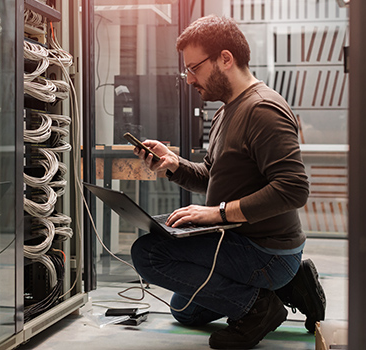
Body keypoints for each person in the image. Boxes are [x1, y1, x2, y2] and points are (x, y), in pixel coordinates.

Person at [130, 15, 325, 349]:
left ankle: (260, 307)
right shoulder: (225, 111)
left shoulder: (262, 109)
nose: (189, 79)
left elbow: (293, 188)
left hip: (266, 250)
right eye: (186, 70)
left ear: (225, 58)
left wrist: (218, 214)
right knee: (184, 311)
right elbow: (212, 176)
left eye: (194, 68)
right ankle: (289, 286)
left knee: (149, 254)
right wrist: (174, 165)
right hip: (242, 240)